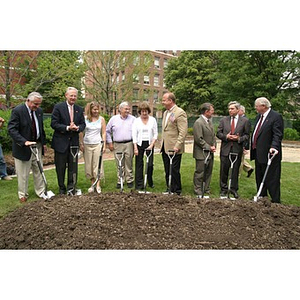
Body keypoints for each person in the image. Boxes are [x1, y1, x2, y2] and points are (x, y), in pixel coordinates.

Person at [7, 92, 46, 202]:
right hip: (23, 146)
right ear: (28, 101)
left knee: (39, 169)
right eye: (35, 104)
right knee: (23, 172)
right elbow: (12, 129)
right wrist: (24, 142)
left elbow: (40, 128)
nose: (37, 106)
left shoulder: (39, 111)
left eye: (39, 104)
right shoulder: (18, 111)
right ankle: (22, 194)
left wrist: (43, 143)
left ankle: (41, 191)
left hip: (36, 145)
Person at [51, 87, 86, 195]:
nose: (73, 98)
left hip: (73, 143)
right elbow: (54, 124)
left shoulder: (79, 109)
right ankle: (62, 188)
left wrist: (77, 128)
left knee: (73, 167)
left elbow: (83, 124)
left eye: (75, 96)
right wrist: (67, 128)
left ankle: (71, 188)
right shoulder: (58, 107)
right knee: (60, 168)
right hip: (61, 143)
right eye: (71, 95)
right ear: (66, 95)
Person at [250, 97, 284, 203]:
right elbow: (257, 133)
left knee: (272, 178)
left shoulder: (275, 117)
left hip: (270, 154)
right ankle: (262, 197)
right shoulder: (259, 117)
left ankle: (275, 201)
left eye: (257, 106)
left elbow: (277, 134)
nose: (255, 108)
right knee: (260, 177)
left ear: (263, 106)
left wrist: (274, 146)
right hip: (258, 153)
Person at [216, 101, 250, 199]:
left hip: (236, 149)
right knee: (224, 170)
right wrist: (226, 136)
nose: (230, 110)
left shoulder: (245, 121)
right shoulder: (224, 120)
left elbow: (247, 135)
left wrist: (238, 139)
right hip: (225, 149)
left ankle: (234, 189)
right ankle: (223, 189)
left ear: (238, 110)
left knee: (235, 170)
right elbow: (218, 133)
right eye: (229, 108)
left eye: (232, 109)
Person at [161, 92, 188, 195]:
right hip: (165, 146)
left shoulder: (180, 112)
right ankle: (170, 188)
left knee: (174, 170)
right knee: (167, 168)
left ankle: (177, 190)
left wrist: (178, 145)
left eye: (164, 100)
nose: (162, 102)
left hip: (174, 147)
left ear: (170, 101)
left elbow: (183, 131)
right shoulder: (165, 113)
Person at [106, 101, 135, 189]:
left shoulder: (133, 119)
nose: (128, 111)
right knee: (119, 163)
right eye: (126, 109)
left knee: (129, 163)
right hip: (117, 144)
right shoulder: (113, 119)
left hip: (129, 143)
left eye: (128, 109)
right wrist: (110, 143)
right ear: (120, 109)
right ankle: (120, 180)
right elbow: (107, 131)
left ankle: (129, 180)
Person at [80, 101, 106, 194]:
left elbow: (103, 132)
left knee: (97, 164)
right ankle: (92, 184)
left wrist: (104, 144)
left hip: (97, 144)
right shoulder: (85, 119)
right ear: (90, 110)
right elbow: (81, 132)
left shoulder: (101, 119)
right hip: (87, 144)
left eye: (97, 109)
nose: (96, 111)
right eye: (94, 109)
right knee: (89, 165)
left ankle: (98, 184)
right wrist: (81, 143)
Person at [132, 101, 158, 190]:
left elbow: (155, 134)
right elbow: (134, 135)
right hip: (139, 143)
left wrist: (151, 145)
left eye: (146, 111)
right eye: (142, 111)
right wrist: (135, 148)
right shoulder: (136, 121)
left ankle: (149, 181)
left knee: (150, 164)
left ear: (148, 111)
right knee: (139, 164)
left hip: (149, 143)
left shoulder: (153, 120)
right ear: (140, 112)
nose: (144, 113)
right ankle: (139, 185)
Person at [192, 103, 216, 198]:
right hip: (201, 152)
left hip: (210, 151)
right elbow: (198, 139)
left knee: (208, 171)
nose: (213, 112)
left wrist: (214, 145)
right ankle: (197, 189)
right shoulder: (198, 123)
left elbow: (213, 135)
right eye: (211, 111)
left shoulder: (209, 122)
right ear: (206, 112)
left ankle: (206, 188)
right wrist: (208, 147)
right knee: (200, 171)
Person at [238, 105, 254, 177]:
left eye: (238, 110)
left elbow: (247, 134)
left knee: (240, 159)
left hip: (242, 143)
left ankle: (237, 174)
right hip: (238, 143)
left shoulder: (246, 120)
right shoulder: (237, 119)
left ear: (242, 111)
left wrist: (245, 146)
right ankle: (249, 168)